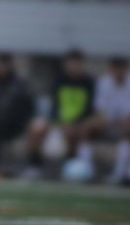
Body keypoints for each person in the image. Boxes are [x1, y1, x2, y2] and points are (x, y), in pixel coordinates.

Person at [21, 49, 97, 179]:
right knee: (36, 128)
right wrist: (56, 122)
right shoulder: (59, 81)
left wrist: (74, 122)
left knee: (72, 132)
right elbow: (54, 106)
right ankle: (34, 165)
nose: (73, 67)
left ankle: (70, 168)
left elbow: (89, 108)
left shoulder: (88, 83)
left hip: (78, 123)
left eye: (76, 63)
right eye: (71, 63)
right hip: (59, 121)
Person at [87, 57, 130, 185]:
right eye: (116, 68)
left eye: (121, 68)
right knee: (87, 128)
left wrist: (119, 122)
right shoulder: (104, 83)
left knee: (128, 130)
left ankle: (120, 173)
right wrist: (102, 120)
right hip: (110, 124)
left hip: (129, 126)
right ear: (111, 70)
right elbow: (100, 110)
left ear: (126, 70)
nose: (118, 72)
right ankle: (86, 171)